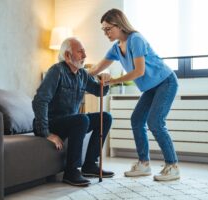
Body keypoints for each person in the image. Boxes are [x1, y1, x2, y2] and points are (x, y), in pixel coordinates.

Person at [89, 8, 180, 181]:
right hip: (151, 88)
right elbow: (96, 68)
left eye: (108, 29)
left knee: (156, 122)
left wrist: (113, 80)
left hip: (166, 82)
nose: (106, 33)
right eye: (104, 30)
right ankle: (144, 164)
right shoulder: (116, 48)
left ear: (119, 25)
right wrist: (77, 74)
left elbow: (139, 71)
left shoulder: (135, 40)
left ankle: (172, 166)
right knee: (137, 120)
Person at [32, 37, 114, 187]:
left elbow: (98, 91)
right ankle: (71, 172)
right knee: (81, 119)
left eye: (84, 52)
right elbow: (39, 101)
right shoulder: (56, 71)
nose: (84, 56)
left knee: (106, 117)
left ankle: (90, 165)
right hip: (52, 123)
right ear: (68, 56)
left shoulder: (82, 74)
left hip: (72, 122)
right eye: (80, 52)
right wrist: (46, 132)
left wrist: (105, 81)